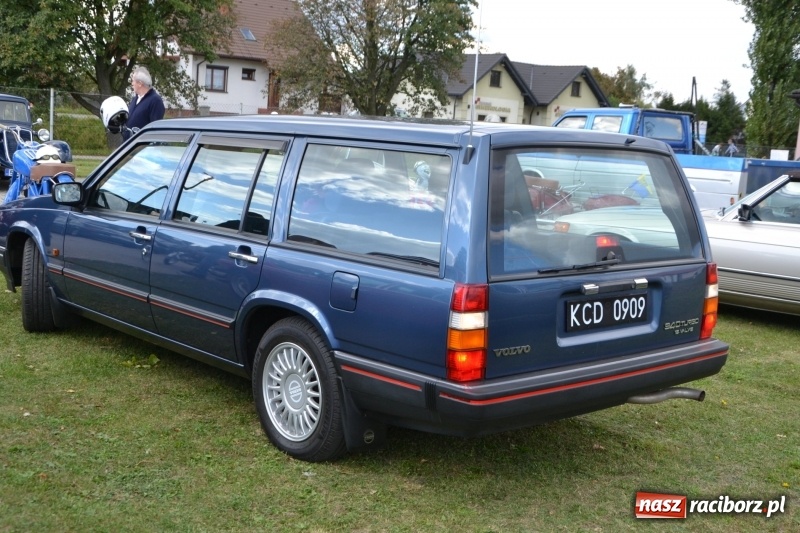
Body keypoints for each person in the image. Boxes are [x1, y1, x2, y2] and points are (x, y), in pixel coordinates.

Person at [125, 66, 165, 139]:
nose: (132, 83)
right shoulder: (135, 99)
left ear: (140, 84)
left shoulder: (155, 101)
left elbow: (155, 130)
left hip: (142, 147)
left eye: (133, 81)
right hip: (129, 146)